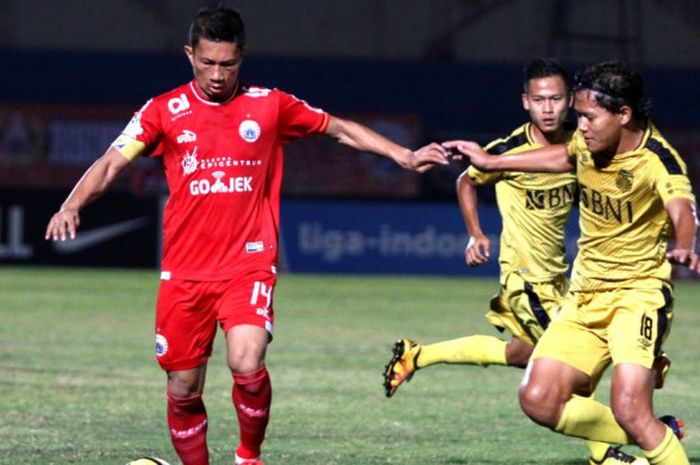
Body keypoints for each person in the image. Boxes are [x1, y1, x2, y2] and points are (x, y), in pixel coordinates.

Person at [44, 6, 449, 465]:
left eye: (228, 64)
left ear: (243, 58)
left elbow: (336, 129)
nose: (218, 74)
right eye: (208, 63)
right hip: (185, 273)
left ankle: (248, 457)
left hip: (247, 263)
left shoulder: (270, 105)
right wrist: (72, 203)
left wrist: (402, 156)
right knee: (182, 387)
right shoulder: (163, 111)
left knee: (247, 363)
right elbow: (112, 162)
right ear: (189, 55)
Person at [383, 58, 651, 465]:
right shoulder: (509, 151)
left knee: (520, 354)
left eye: (557, 99)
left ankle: (417, 355)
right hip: (526, 281)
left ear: (570, 103)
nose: (548, 108)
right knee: (570, 363)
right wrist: (475, 234)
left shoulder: (579, 149)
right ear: (525, 102)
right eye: (539, 99)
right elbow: (465, 180)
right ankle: (606, 453)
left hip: (559, 279)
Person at [445, 61, 696, 465]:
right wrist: (491, 163)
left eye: (589, 116)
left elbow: (683, 209)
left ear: (623, 114)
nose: (579, 125)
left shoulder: (657, 159)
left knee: (631, 409)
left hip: (637, 297)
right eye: (577, 115)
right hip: (583, 298)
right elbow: (563, 157)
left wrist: (685, 244)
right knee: (538, 398)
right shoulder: (586, 143)